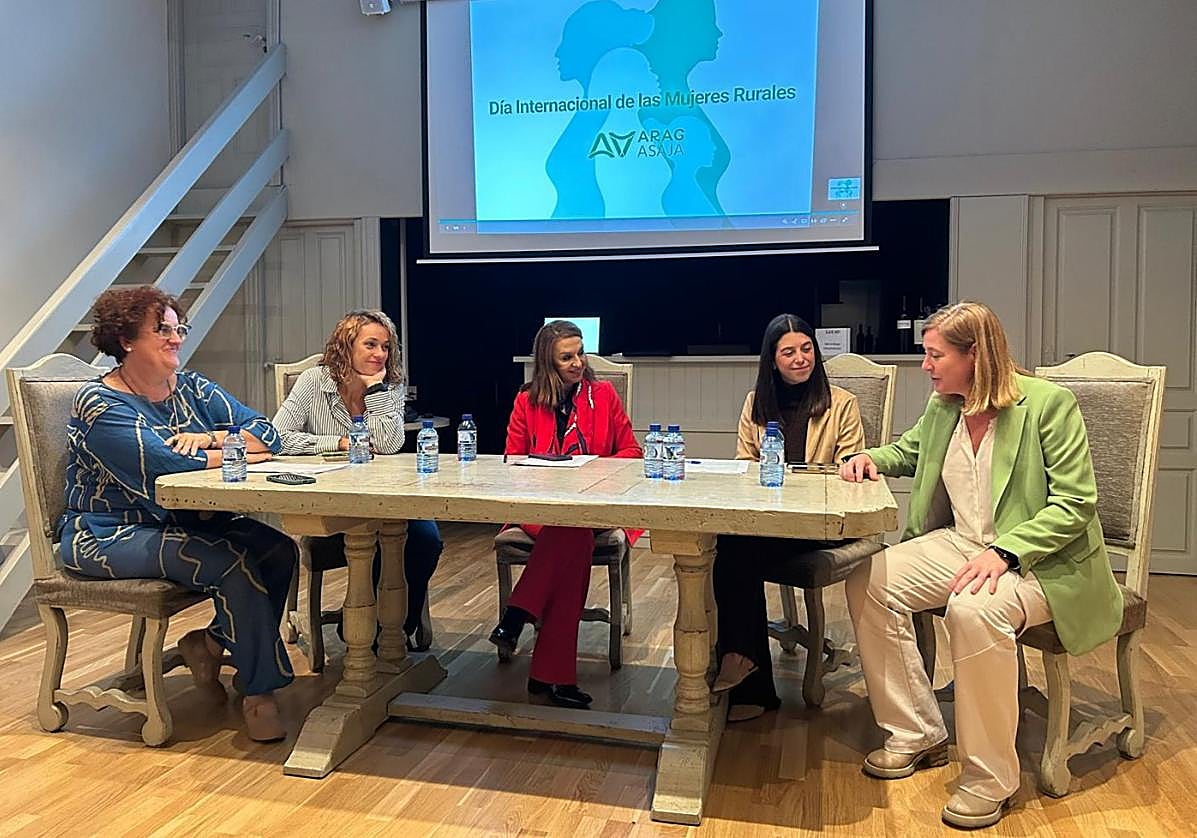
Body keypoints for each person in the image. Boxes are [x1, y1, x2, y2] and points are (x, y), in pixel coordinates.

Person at [840, 301, 1123, 830]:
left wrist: (1006, 551)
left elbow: (1076, 504)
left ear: (976, 355)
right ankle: (915, 731)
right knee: (869, 580)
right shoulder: (946, 404)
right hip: (962, 543)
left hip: (1041, 559)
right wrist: (870, 459)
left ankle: (988, 777)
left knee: (972, 611)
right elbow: (911, 451)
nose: (925, 365)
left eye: (934, 355)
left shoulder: (1047, 405)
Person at [60, 286, 295, 742]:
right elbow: (163, 467)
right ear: (126, 340)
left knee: (279, 550)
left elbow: (269, 433)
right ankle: (258, 695)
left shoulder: (191, 388)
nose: (176, 338)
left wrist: (210, 440)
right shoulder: (99, 403)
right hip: (107, 533)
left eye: (178, 328)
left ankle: (208, 645)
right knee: (231, 562)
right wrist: (241, 448)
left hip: (180, 523)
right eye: (162, 329)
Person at [710, 314, 866, 722]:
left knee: (735, 551)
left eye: (807, 349)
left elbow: (850, 469)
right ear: (772, 360)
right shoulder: (755, 402)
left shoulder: (841, 404)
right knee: (728, 543)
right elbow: (745, 465)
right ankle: (743, 665)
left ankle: (745, 673)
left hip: (819, 523)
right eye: (789, 352)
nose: (800, 359)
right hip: (769, 521)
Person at [489, 320, 641, 709]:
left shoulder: (603, 395)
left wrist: (592, 469)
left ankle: (518, 612)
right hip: (541, 507)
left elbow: (630, 452)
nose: (577, 363)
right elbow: (512, 459)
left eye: (580, 354)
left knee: (572, 528)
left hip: (594, 504)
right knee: (570, 538)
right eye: (566, 357)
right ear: (547, 362)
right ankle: (548, 677)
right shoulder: (527, 400)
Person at [272, 310, 442, 651]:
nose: (379, 354)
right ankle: (365, 626)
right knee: (380, 541)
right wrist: (336, 443)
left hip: (385, 501)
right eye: (370, 344)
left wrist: (376, 391)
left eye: (385, 346)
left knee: (424, 540)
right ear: (346, 346)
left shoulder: (389, 384)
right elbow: (277, 436)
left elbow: (389, 444)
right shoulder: (313, 381)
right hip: (331, 504)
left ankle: (391, 630)